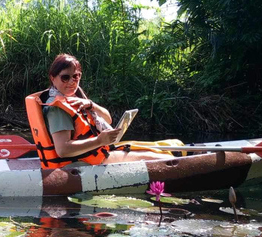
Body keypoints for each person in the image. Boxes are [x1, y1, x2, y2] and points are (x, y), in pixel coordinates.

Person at [25, 53, 172, 169]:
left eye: (76, 76)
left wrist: (91, 104)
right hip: (79, 164)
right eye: (65, 77)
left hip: (93, 155)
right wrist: (99, 140)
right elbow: (63, 150)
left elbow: (108, 120)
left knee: (151, 153)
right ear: (53, 78)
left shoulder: (73, 99)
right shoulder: (58, 108)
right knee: (164, 159)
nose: (71, 82)